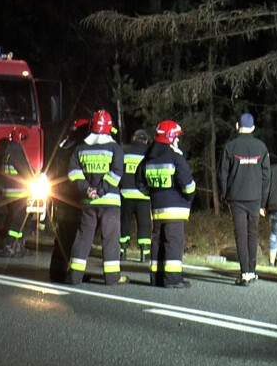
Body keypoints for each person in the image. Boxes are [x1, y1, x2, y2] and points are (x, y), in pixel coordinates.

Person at [66, 109, 125, 285]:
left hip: (88, 202)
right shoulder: (115, 148)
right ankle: (112, 277)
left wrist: (87, 190)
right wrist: (101, 190)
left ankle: (75, 275)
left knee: (83, 237)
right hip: (110, 202)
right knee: (111, 238)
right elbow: (116, 172)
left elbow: (73, 173)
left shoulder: (80, 148)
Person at [136, 120, 195, 288]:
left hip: (156, 208)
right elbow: (188, 184)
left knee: (157, 242)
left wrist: (153, 194)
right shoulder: (175, 156)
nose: (178, 140)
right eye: (177, 137)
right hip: (175, 209)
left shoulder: (149, 156)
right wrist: (189, 198)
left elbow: (139, 181)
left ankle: (156, 277)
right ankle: (173, 280)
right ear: (170, 137)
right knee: (173, 242)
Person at [217, 112, 270, 286]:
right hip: (255, 197)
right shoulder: (261, 147)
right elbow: (266, 175)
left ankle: (245, 272)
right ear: (253, 128)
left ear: (237, 127)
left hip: (237, 197)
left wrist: (225, 195)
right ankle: (252, 271)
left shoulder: (230, 147)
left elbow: (222, 174)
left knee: (241, 234)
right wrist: (263, 201)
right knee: (252, 234)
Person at [0, 127, 34, 257]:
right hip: (18, 191)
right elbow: (24, 169)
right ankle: (10, 245)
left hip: (10, 191)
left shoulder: (7, 149)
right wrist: (33, 177)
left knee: (16, 219)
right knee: (18, 220)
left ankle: (18, 246)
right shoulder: (15, 149)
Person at [120, 129, 152, 262]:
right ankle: (145, 254)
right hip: (143, 196)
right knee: (145, 225)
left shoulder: (124, 151)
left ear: (134, 138)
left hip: (125, 194)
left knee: (124, 223)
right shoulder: (149, 153)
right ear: (146, 140)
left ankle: (121, 252)